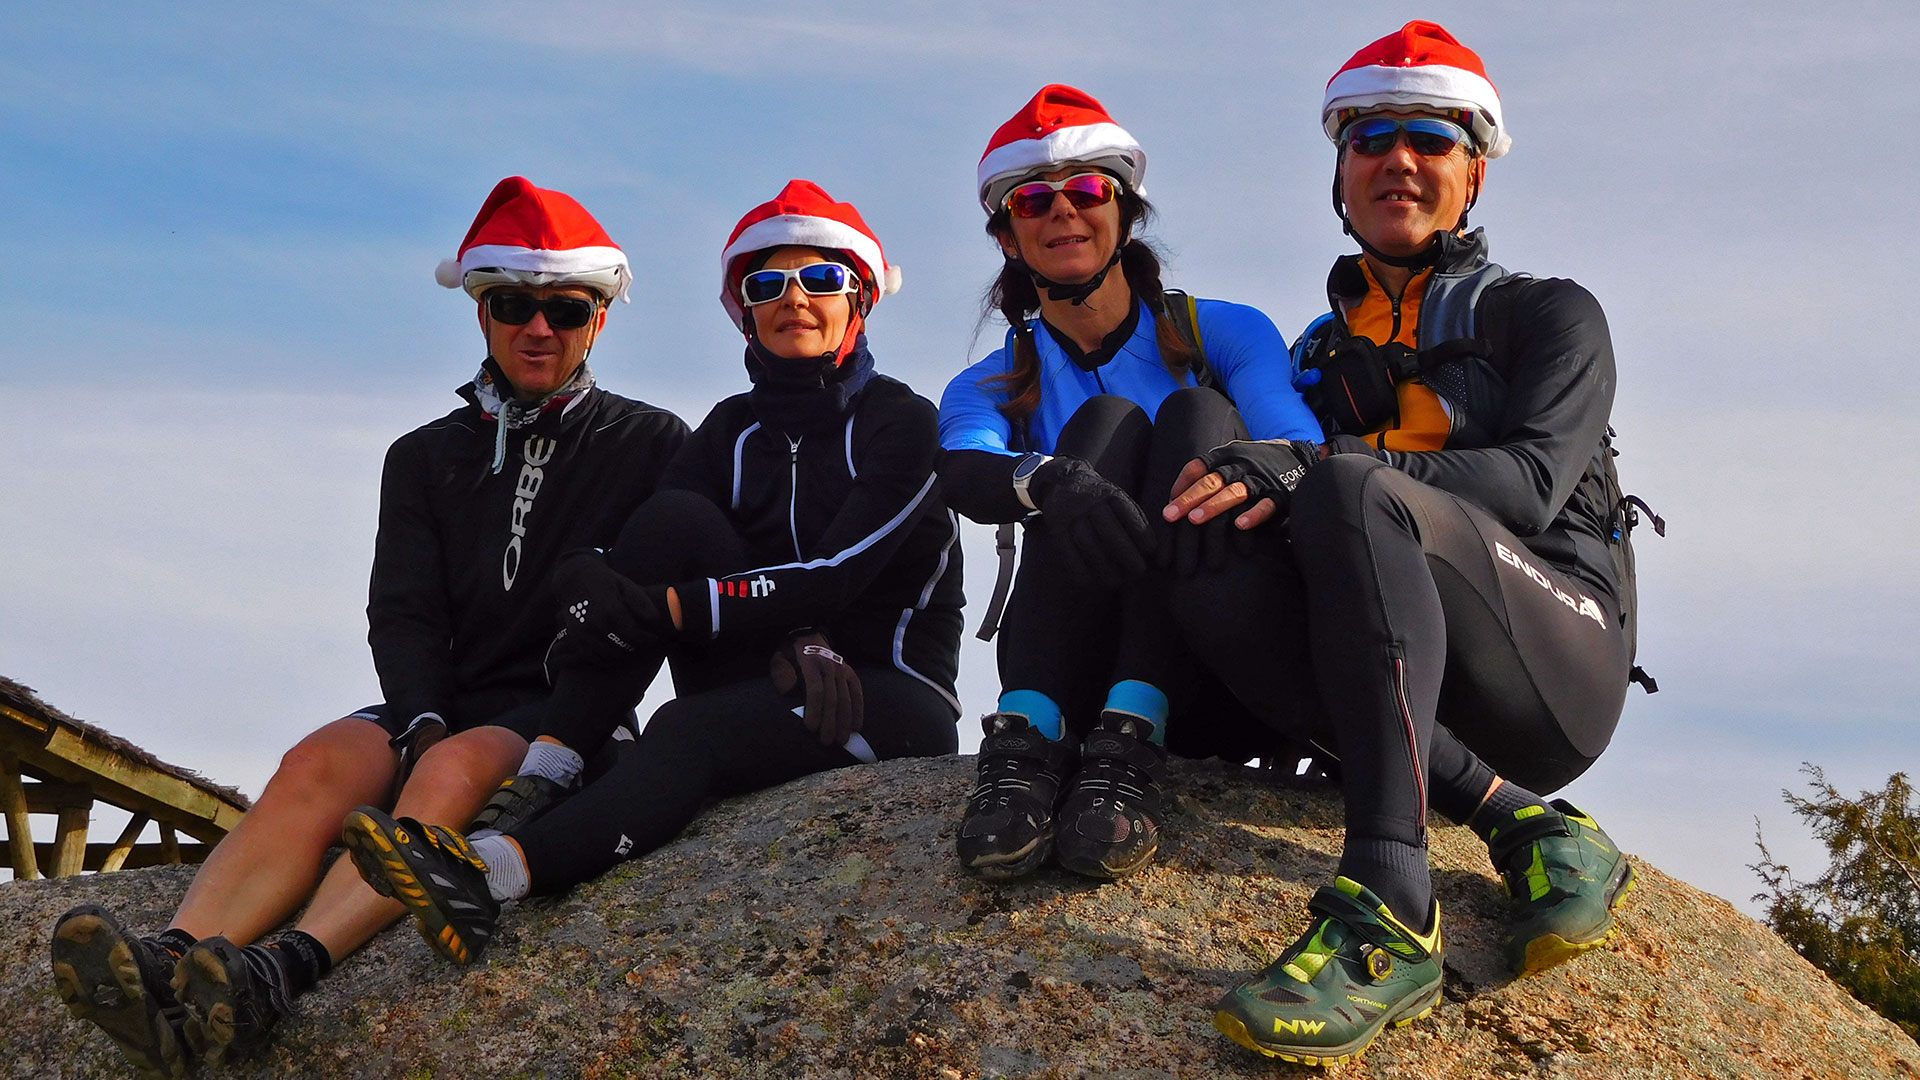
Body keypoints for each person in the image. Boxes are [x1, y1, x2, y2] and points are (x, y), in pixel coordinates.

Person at [48, 177, 688, 1075]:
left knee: (454, 764)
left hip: (560, 718)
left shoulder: (653, 441)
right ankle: (171, 960)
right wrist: (420, 714)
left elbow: (649, 613)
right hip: (440, 702)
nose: (537, 327)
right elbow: (403, 611)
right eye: (512, 304)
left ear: (599, 319)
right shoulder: (422, 456)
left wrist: (507, 739)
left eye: (564, 308)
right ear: (480, 311)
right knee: (318, 760)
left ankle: (280, 971)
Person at [339, 180, 964, 965]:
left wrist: (676, 609)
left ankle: (492, 875)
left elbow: (833, 572)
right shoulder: (730, 428)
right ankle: (546, 771)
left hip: (881, 690)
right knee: (672, 524)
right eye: (767, 285)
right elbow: (645, 540)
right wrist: (592, 579)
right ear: (745, 309)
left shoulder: (902, 421)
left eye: (821, 279)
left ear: (860, 299)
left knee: (682, 729)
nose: (794, 299)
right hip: (774, 666)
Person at [1182, 23, 1650, 1065]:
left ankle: (1391, 907)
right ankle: (1519, 821)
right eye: (1373, 136)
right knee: (1205, 460)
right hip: (1391, 677)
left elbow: (1532, 484)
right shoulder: (1308, 355)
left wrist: (1320, 461)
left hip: (1553, 656)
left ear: (1473, 174)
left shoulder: (1549, 315)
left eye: (1432, 140)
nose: (1400, 158)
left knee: (1350, 485)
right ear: (1342, 173)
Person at [939, 85, 1323, 883]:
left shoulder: (1220, 329)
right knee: (1090, 442)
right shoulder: (994, 380)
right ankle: (1030, 735)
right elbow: (964, 470)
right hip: (1072, 657)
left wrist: (1235, 465)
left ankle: (1134, 729)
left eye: (1086, 193)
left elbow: (1302, 445)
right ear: (1008, 237)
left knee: (1191, 413)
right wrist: (1051, 480)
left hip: (1210, 665)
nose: (1062, 214)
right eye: (1033, 202)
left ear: (1124, 216)